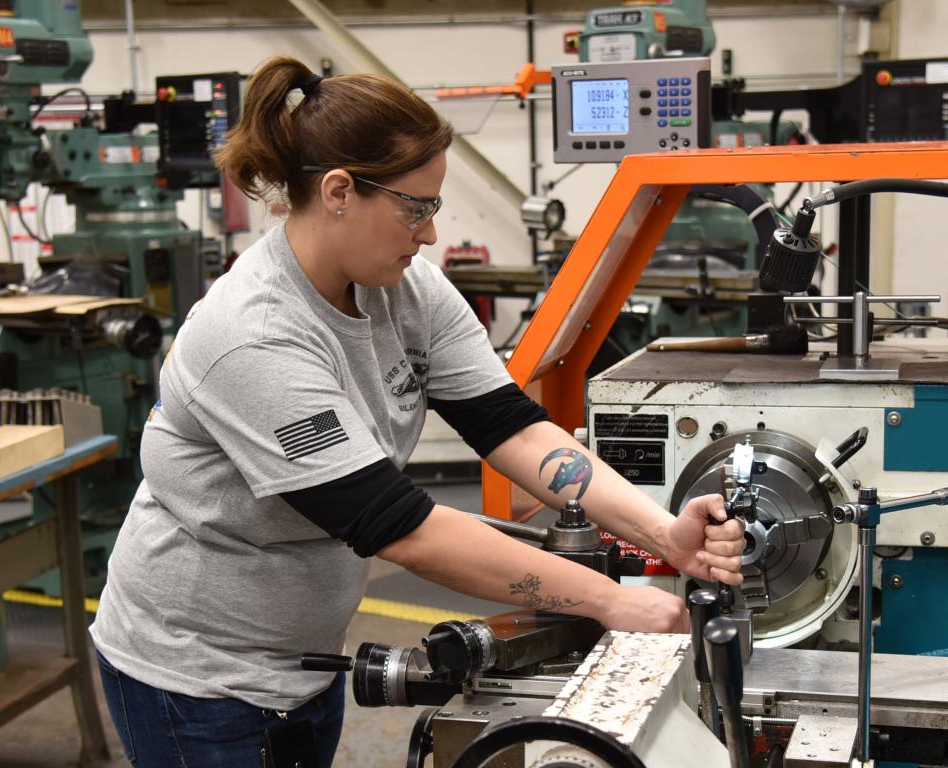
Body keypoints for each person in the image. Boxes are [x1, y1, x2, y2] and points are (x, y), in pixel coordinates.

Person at [89, 55, 745, 768]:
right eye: (417, 206)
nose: (431, 232)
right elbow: (400, 529)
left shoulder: (407, 291)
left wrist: (664, 534)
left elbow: (509, 427)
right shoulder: (252, 335)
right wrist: (610, 602)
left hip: (305, 658)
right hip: (196, 676)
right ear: (339, 191)